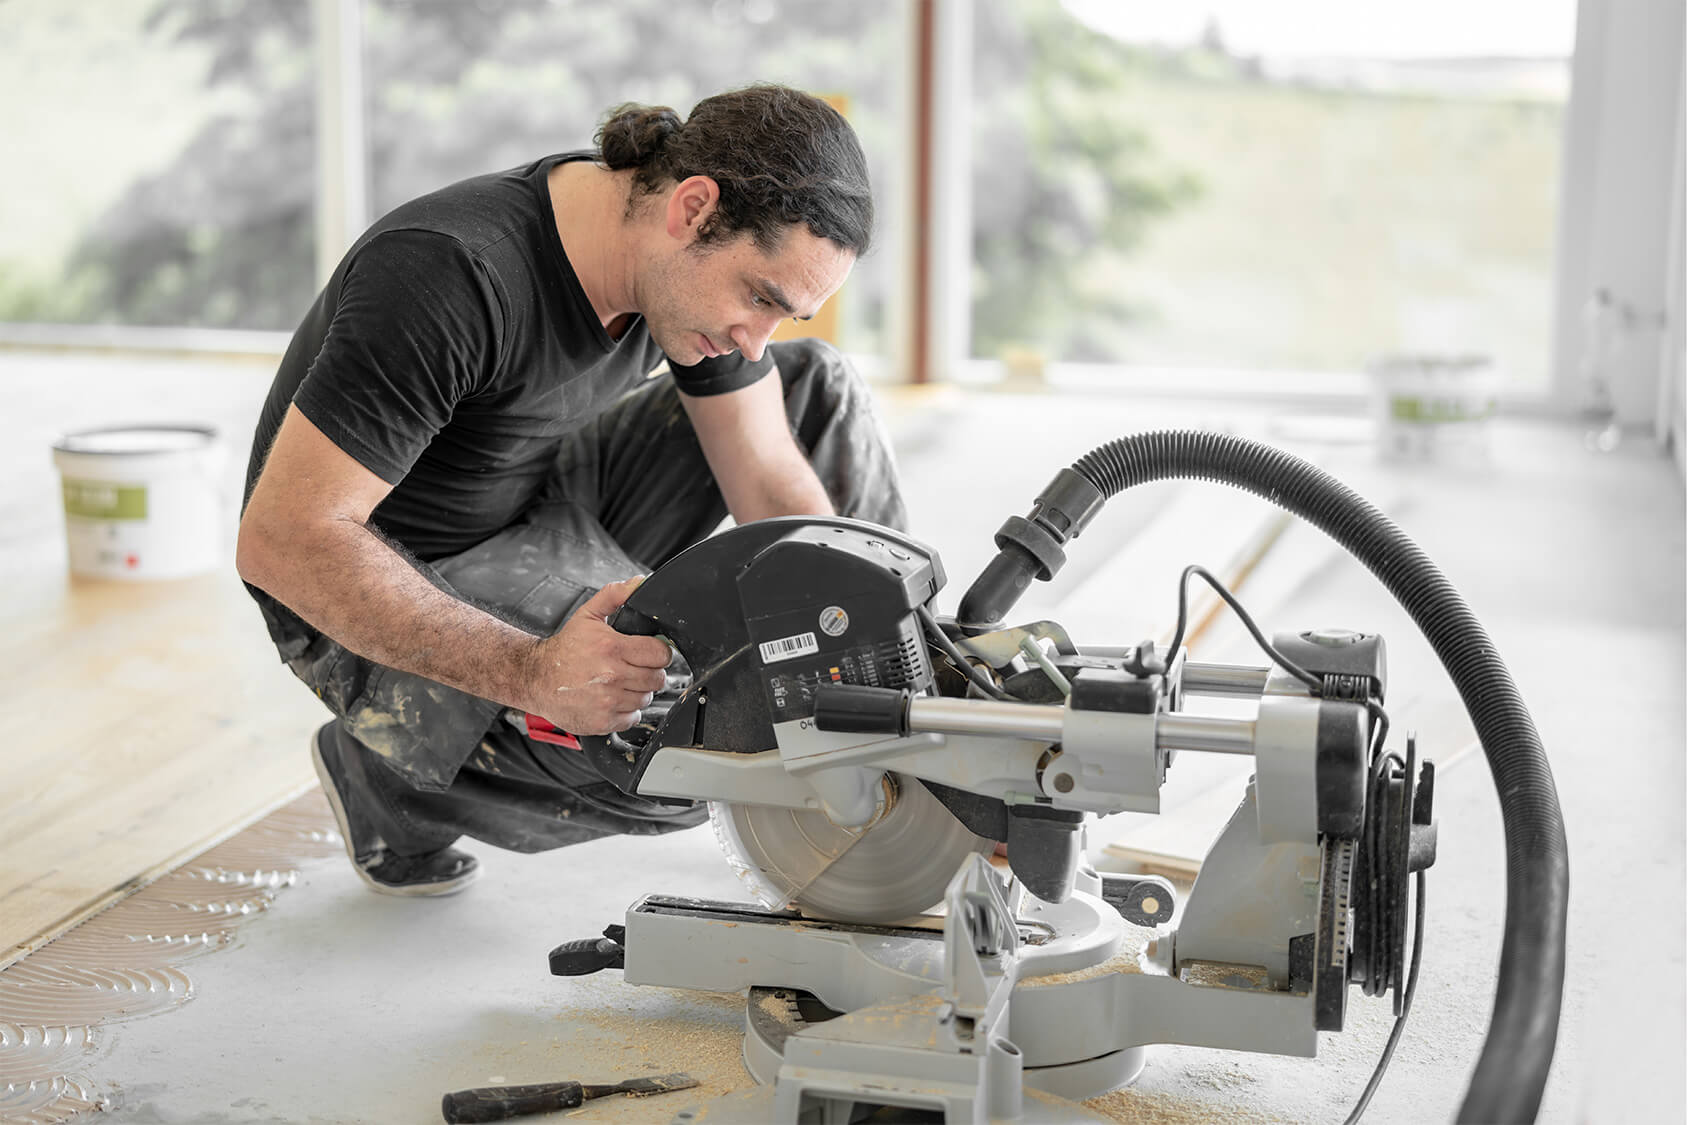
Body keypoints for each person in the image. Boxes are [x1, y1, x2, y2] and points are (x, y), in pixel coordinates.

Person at [236, 84, 908, 897]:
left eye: (784, 313)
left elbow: (767, 475)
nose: (753, 338)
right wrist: (533, 671)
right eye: (761, 297)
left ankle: (905, 695)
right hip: (372, 570)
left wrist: (884, 661)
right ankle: (391, 770)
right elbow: (281, 540)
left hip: (539, 488)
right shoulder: (450, 273)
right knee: (691, 746)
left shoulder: (684, 272)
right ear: (695, 209)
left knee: (819, 388)